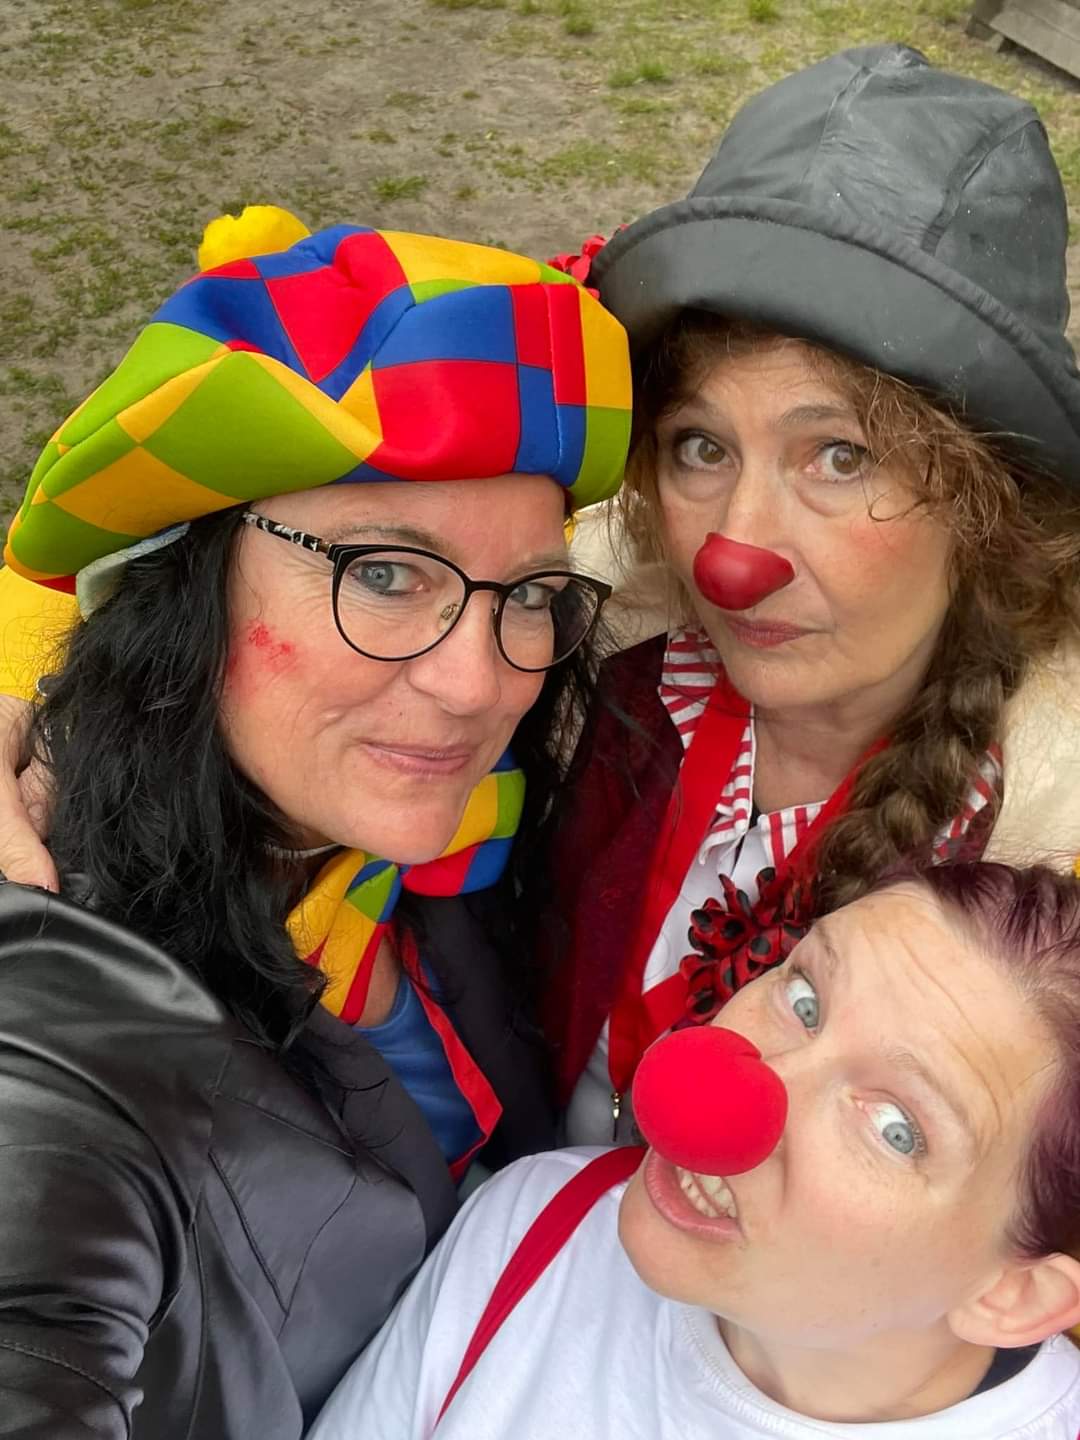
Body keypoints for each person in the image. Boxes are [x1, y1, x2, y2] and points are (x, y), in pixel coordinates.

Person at [0, 211, 631, 1437]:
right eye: (383, 572)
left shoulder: (432, 842)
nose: (480, 683)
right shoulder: (59, 1016)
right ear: (180, 585)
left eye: (532, 592)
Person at [537, 43, 1080, 1143]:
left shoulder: (1043, 853)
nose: (734, 553)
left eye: (839, 457)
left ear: (992, 508)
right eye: (701, 447)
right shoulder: (585, 644)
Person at [308, 862, 1080, 1437]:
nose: (741, 1092)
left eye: (896, 1128)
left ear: (1014, 1296)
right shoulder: (537, 1219)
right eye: (804, 998)